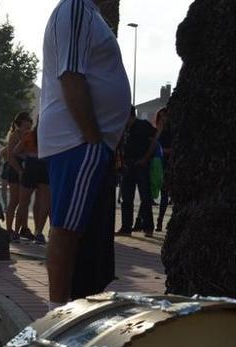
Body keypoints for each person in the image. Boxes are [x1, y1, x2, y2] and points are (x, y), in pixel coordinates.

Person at [39, 0, 131, 309]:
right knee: (68, 228)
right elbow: (71, 76)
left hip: (84, 142)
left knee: (84, 236)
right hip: (78, 140)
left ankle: (75, 309)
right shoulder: (76, 8)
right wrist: (92, 138)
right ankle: (57, 316)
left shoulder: (89, 13)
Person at [115, 106, 158, 238]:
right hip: (126, 165)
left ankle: (148, 227)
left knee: (145, 198)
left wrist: (146, 158)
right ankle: (126, 227)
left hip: (140, 164)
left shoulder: (143, 125)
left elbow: (155, 140)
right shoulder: (122, 128)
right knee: (126, 198)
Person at [14, 119, 51, 245]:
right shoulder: (50, 136)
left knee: (23, 202)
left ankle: (16, 232)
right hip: (45, 165)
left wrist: (27, 155)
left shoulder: (29, 136)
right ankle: (39, 233)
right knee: (44, 202)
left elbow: (15, 151)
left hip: (31, 166)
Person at [4, 112, 32, 243]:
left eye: (29, 126)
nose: (27, 129)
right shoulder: (14, 136)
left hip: (26, 168)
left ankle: (18, 229)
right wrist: (19, 171)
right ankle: (9, 229)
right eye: (25, 126)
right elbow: (10, 157)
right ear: (18, 125)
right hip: (15, 169)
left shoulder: (29, 136)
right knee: (14, 200)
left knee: (24, 202)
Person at [154, 107, 172, 231]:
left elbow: (172, 149)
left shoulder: (171, 132)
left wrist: (161, 150)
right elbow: (152, 143)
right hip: (155, 164)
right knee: (150, 193)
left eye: (164, 116)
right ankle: (142, 221)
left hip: (166, 164)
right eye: (160, 117)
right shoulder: (155, 131)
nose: (162, 119)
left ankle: (160, 220)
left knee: (164, 195)